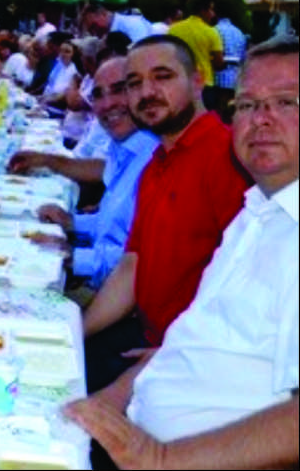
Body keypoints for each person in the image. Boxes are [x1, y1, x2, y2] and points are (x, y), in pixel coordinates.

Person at [64, 35, 299, 470]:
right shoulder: (256, 211)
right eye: (247, 105)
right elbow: (150, 285)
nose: (261, 120)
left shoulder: (227, 168)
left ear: (198, 83)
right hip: (149, 390)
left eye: (286, 102)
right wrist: (99, 382)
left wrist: (157, 457)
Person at [81, 34, 250, 393]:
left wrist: (178, 356)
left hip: (191, 361)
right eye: (134, 83)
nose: (147, 92)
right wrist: (75, 331)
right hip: (145, 336)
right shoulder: (157, 163)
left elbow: (247, 288)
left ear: (197, 81)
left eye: (162, 76)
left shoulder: (227, 158)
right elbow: (132, 266)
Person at [36, 57, 159, 291]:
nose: (107, 103)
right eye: (98, 95)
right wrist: (72, 222)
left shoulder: (156, 159)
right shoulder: (123, 148)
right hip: (98, 282)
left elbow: (139, 260)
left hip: (116, 301)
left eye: (119, 90)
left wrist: (74, 257)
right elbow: (116, 226)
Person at [168, 1, 225, 111]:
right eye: (211, 10)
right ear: (203, 11)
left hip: (178, 80)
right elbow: (219, 62)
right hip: (204, 83)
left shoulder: (174, 29)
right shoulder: (211, 32)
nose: (213, 14)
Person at [212, 9, 247, 123]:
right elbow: (243, 55)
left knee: (219, 109)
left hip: (219, 75)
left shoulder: (215, 30)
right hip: (236, 75)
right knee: (232, 108)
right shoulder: (239, 32)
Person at [83, 1, 153, 44]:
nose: (94, 33)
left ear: (103, 14)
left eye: (94, 26)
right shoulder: (107, 36)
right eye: (90, 30)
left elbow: (142, 49)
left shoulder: (131, 24)